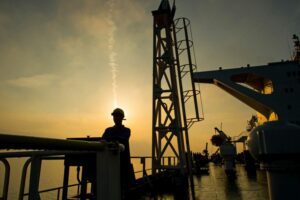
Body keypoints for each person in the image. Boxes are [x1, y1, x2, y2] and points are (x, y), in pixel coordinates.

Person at [102, 108, 134, 199]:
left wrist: (109, 139)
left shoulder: (127, 130)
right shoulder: (108, 130)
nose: (115, 118)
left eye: (117, 116)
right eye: (114, 116)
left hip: (123, 163)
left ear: (122, 117)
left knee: (124, 188)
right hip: (110, 163)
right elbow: (103, 140)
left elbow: (122, 139)